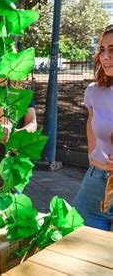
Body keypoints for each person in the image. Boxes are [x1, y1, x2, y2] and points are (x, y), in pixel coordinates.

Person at [74, 24, 113, 231]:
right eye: (103, 49)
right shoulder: (94, 92)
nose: (105, 56)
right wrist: (92, 156)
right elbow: (91, 121)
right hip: (95, 184)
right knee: (76, 251)